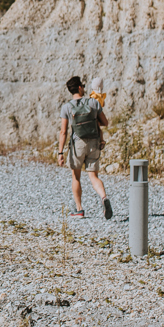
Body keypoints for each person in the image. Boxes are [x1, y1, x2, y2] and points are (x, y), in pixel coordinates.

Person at [57, 75, 113, 220]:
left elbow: (63, 132)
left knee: (76, 177)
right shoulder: (93, 102)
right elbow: (105, 122)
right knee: (94, 176)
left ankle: (79, 209)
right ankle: (103, 197)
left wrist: (60, 152)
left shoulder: (67, 107)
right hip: (94, 142)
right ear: (80, 88)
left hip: (78, 145)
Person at [90, 76, 107, 149]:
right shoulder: (99, 96)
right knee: (99, 130)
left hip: (94, 115)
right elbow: (102, 104)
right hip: (97, 115)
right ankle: (102, 141)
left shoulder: (93, 95)